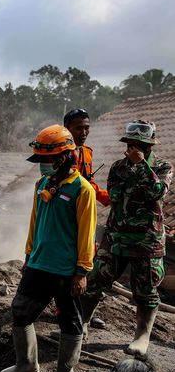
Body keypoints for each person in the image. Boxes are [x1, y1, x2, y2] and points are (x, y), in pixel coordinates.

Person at [0, 125, 96, 372]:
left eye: (46, 160)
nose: (43, 166)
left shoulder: (81, 189)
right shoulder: (41, 185)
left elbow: (87, 234)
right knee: (20, 311)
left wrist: (82, 271)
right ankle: (26, 363)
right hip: (38, 264)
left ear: (63, 157)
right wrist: (28, 255)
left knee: (70, 320)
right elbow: (34, 223)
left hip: (65, 269)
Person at [80, 121, 172, 356]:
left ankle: (142, 336)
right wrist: (129, 169)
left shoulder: (162, 167)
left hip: (147, 239)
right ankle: (82, 324)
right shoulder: (118, 167)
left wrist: (141, 166)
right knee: (96, 279)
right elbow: (114, 195)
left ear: (149, 146)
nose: (133, 148)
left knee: (146, 289)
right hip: (117, 235)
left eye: (139, 145)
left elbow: (158, 192)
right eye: (131, 144)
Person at [64, 108, 110, 331]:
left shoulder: (88, 153)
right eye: (78, 128)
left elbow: (88, 183)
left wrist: (104, 198)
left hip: (86, 210)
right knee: (70, 258)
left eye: (86, 128)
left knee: (88, 256)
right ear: (67, 129)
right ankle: (65, 308)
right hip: (67, 212)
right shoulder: (60, 152)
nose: (83, 132)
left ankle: (82, 309)